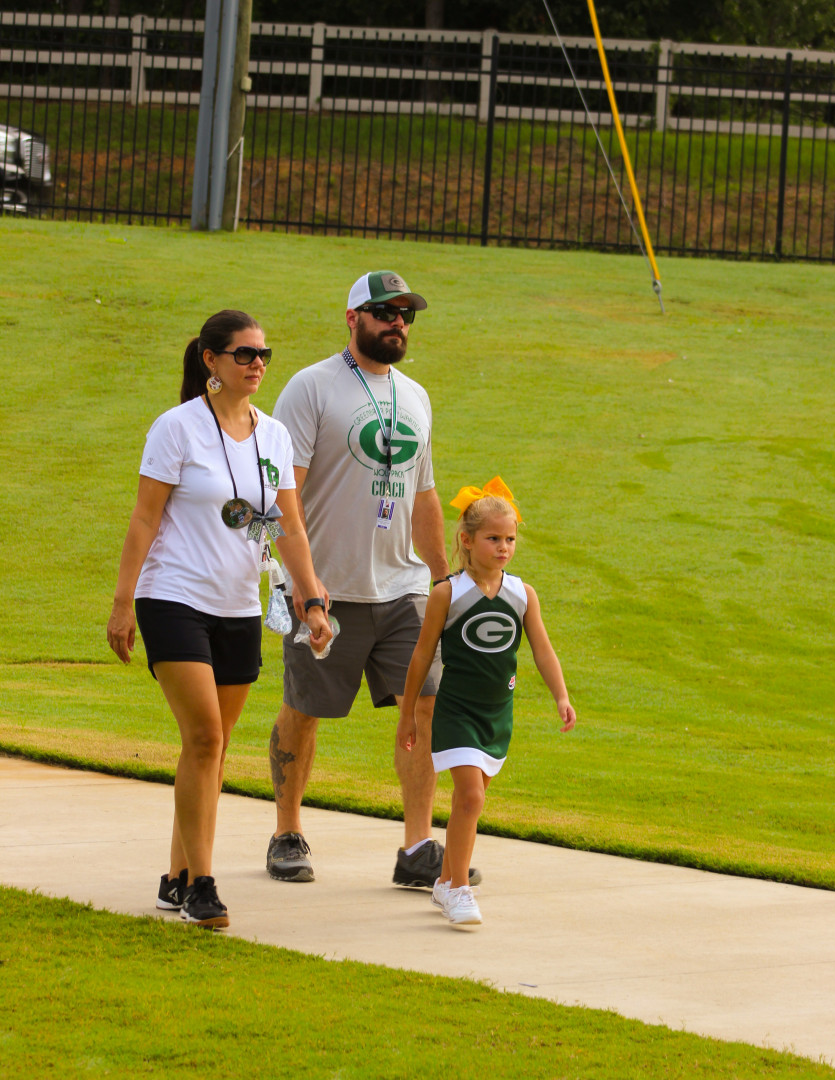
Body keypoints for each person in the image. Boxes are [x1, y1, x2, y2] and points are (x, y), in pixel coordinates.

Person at [107, 310, 331, 929]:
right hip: (172, 596)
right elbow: (145, 520)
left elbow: (283, 527)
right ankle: (203, 886)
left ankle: (174, 876)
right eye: (244, 354)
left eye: (264, 354)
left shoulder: (275, 436)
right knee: (205, 736)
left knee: (211, 746)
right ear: (211, 360)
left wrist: (310, 598)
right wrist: (124, 601)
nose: (257, 364)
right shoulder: (176, 429)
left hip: (239, 603)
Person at [264, 269, 481, 890]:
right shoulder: (311, 388)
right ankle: (286, 831)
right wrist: (303, 586)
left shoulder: (415, 395)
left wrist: (444, 582)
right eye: (385, 311)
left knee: (428, 703)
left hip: (403, 589)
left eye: (406, 313)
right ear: (353, 317)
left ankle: (418, 848)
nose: (398, 322)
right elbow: (286, 495)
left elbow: (426, 497)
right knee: (304, 709)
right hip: (327, 588)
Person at [396, 477, 576, 927]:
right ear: (467, 540)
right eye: (493, 538)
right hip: (457, 712)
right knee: (471, 797)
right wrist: (408, 715)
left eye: (510, 539)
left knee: (467, 805)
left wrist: (561, 696)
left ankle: (442, 881)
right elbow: (421, 656)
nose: (503, 547)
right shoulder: (447, 594)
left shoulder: (522, 594)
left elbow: (542, 650)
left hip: (498, 715)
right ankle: (458, 890)